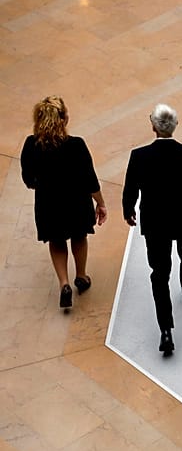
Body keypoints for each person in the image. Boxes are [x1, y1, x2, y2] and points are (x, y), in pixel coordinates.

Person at [123, 103, 182, 356]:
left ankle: (165, 329)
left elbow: (130, 190)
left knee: (159, 273)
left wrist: (128, 210)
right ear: (175, 125)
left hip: (156, 223)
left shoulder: (139, 156)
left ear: (153, 127)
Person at [21, 96, 107, 309]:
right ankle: (81, 275)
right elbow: (90, 179)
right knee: (79, 236)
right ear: (64, 119)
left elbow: (28, 179)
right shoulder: (76, 145)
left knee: (56, 240)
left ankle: (64, 283)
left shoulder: (31, 145)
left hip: (48, 203)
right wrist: (100, 203)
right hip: (76, 201)